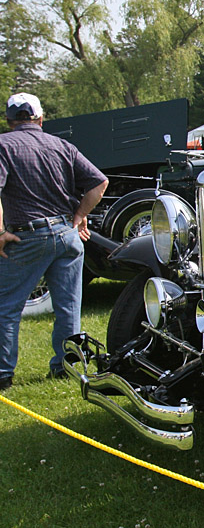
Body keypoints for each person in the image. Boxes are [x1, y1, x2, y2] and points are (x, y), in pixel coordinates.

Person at [0, 93, 108, 392]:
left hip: (26, 235)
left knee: (6, 308)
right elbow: (99, 183)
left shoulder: (3, 145)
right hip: (66, 234)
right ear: (40, 118)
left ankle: (3, 374)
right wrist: (78, 217)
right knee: (69, 306)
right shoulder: (62, 145)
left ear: (9, 120)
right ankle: (65, 367)